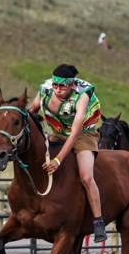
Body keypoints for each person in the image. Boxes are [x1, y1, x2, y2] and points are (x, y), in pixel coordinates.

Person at [27, 63, 107, 242]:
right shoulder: (45, 90)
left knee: (86, 176)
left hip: (83, 134)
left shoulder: (82, 95)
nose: (57, 89)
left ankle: (98, 220)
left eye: (62, 86)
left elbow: (75, 133)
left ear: (71, 84)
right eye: (55, 84)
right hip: (57, 132)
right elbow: (30, 111)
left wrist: (57, 160)